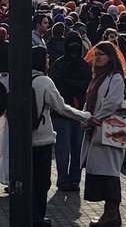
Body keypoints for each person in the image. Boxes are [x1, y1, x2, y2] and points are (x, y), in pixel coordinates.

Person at [32, 45, 89, 225]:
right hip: (42, 138)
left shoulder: (20, 77)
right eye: (46, 57)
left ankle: (29, 214)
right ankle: (37, 217)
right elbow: (62, 108)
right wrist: (85, 115)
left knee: (29, 180)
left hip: (23, 139)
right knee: (42, 182)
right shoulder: (44, 82)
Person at [79, 41, 126, 227]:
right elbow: (90, 101)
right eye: (96, 54)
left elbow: (112, 102)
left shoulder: (115, 77)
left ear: (111, 57)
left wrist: (95, 118)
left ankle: (112, 213)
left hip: (109, 131)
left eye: (102, 54)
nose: (97, 57)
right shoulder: (97, 78)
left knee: (110, 173)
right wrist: (85, 117)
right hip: (97, 130)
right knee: (101, 171)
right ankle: (110, 214)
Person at [48, 32, 91, 192]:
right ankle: (67, 180)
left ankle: (70, 180)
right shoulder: (79, 65)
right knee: (67, 148)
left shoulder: (63, 64)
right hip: (67, 112)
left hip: (71, 112)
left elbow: (84, 84)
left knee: (72, 148)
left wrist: (69, 84)